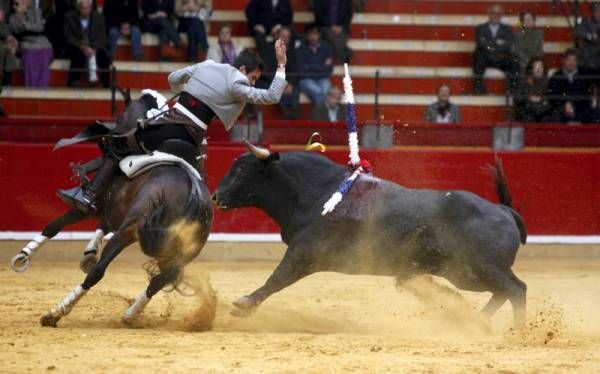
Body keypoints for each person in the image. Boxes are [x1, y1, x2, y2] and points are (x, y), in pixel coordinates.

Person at [58, 42, 289, 213]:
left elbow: (172, 78)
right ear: (242, 69)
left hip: (173, 125)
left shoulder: (207, 65)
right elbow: (271, 96)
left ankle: (90, 195)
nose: (254, 83)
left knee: (120, 141)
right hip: (194, 140)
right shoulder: (238, 82)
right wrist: (281, 66)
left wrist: (194, 88)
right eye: (254, 77)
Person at [472, 4, 520, 95]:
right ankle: (478, 89)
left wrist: (490, 44)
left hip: (501, 59)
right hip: (485, 58)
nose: (496, 15)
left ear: (501, 15)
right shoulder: (480, 28)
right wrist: (496, 43)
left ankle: (514, 91)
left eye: (498, 13)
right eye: (493, 12)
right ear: (489, 14)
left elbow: (508, 45)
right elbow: (481, 44)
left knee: (514, 61)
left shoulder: (507, 28)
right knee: (478, 55)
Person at [63, 0, 111, 87]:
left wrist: (94, 49)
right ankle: (73, 81)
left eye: (88, 8)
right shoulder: (70, 17)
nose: (85, 11)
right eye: (83, 8)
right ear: (79, 8)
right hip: (78, 46)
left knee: (104, 57)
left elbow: (103, 37)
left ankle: (105, 83)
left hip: (95, 46)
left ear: (91, 8)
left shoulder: (99, 17)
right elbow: (68, 36)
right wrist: (82, 47)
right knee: (77, 54)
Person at [9, 0, 54, 87]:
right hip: (27, 45)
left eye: (23, 1)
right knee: (29, 56)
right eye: (19, 2)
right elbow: (15, 29)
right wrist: (19, 15)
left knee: (44, 55)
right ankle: (31, 90)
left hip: (43, 44)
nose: (22, 3)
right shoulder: (13, 17)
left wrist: (26, 25)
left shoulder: (36, 12)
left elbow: (40, 27)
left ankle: (42, 90)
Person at [547, 48, 595, 123]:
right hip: (562, 111)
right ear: (564, 60)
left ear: (577, 62)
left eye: (574, 60)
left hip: (583, 110)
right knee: (554, 116)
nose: (571, 63)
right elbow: (552, 96)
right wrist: (565, 103)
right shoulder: (556, 77)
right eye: (569, 60)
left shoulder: (585, 73)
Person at [245, 0, 292, 65]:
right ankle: (266, 69)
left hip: (278, 30)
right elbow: (249, 10)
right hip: (261, 29)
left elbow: (289, 16)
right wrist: (256, 24)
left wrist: (280, 25)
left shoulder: (285, 2)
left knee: (286, 36)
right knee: (261, 39)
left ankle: (286, 67)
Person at [297, 26, 334, 104]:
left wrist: (309, 66)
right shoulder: (301, 48)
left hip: (322, 79)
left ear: (319, 35)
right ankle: (323, 112)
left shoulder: (327, 48)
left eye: (315, 34)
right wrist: (321, 66)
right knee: (318, 91)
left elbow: (329, 70)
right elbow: (301, 70)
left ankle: (319, 113)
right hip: (306, 80)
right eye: (310, 34)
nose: (312, 37)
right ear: (306, 36)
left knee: (325, 87)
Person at [514, 57, 551, 122]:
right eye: (536, 67)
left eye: (541, 67)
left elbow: (551, 101)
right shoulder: (523, 83)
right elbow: (517, 98)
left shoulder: (548, 84)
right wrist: (528, 98)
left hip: (543, 114)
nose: (539, 69)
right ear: (531, 69)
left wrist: (541, 99)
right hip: (527, 114)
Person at [574, 3, 600, 69]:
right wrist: (590, 37)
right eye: (596, 11)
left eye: (599, 11)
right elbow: (578, 34)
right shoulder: (585, 22)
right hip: (587, 58)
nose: (598, 13)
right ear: (592, 12)